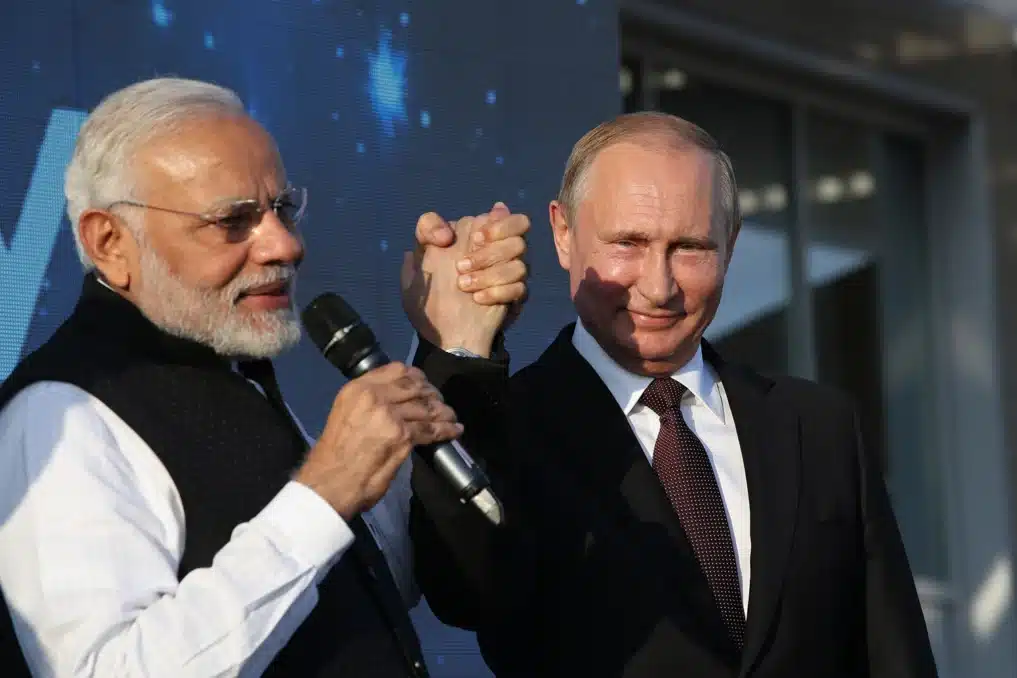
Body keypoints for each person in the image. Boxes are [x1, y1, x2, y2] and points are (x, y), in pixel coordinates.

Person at [0, 77, 528, 677]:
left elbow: (366, 593)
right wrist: (325, 490)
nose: (284, 245)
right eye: (232, 220)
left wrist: (450, 342)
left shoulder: (223, 372)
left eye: (282, 209)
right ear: (110, 243)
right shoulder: (59, 416)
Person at [403, 111, 938, 677]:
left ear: (730, 244)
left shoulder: (819, 428)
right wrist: (458, 350)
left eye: (690, 248)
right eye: (628, 244)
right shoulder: (508, 427)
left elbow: (893, 655)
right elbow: (462, 588)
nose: (659, 287)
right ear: (564, 234)